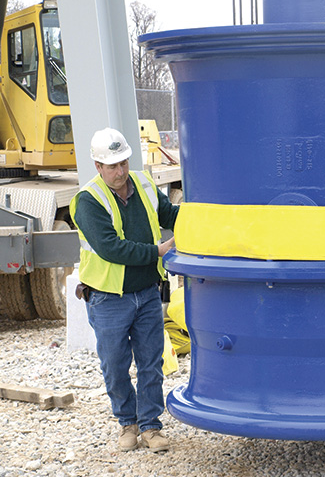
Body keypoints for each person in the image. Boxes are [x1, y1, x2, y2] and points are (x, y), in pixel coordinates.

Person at [70, 128, 180, 452]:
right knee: (115, 365)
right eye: (112, 166)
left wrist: (195, 216)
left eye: (123, 162)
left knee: (150, 362)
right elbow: (111, 248)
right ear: (98, 166)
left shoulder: (143, 184)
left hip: (145, 292)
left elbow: (169, 213)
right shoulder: (88, 200)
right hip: (107, 298)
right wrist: (157, 251)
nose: (120, 172)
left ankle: (150, 426)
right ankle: (126, 423)